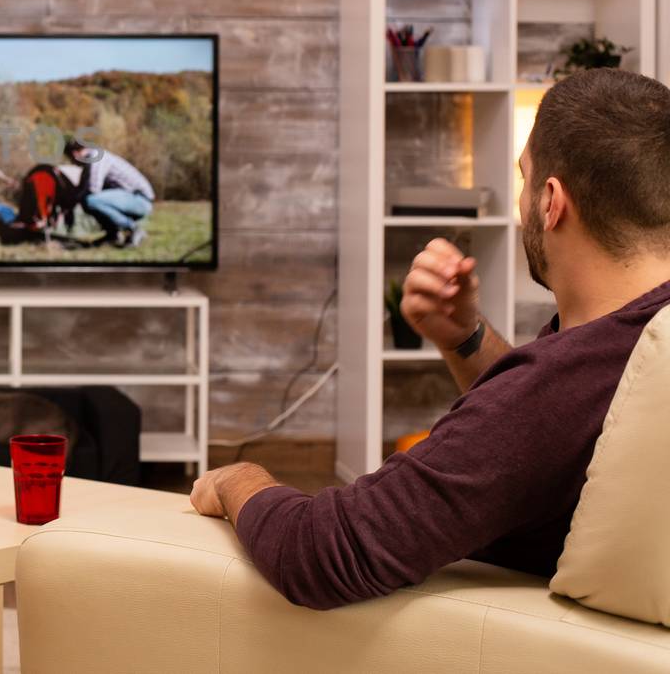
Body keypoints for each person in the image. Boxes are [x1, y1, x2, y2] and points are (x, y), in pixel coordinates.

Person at [188, 68, 670, 609]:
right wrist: (465, 337)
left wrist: (238, 478)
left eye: (524, 177)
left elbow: (322, 553)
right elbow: (547, 437)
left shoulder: (563, 385)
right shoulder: (630, 346)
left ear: (551, 201)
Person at [63, 137, 155, 248]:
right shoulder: (90, 162)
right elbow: (80, 190)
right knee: (87, 201)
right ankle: (113, 235)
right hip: (132, 199)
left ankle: (132, 229)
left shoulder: (96, 158)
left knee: (91, 201)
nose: (73, 163)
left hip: (140, 200)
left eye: (70, 159)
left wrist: (72, 202)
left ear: (74, 154)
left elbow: (93, 189)